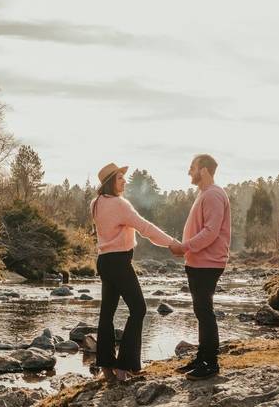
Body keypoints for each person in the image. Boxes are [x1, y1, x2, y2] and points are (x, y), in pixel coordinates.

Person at [91, 162, 183, 382]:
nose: (124, 180)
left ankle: (106, 366)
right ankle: (125, 366)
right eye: (120, 177)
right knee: (139, 309)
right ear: (110, 182)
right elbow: (145, 228)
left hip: (104, 261)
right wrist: (171, 242)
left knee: (107, 314)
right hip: (120, 262)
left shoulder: (95, 203)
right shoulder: (120, 205)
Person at [171, 154, 231, 380]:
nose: (189, 171)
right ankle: (202, 357)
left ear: (204, 170)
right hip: (199, 261)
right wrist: (186, 250)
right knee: (201, 310)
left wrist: (184, 247)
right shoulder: (205, 194)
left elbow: (210, 232)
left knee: (204, 311)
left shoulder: (214, 194)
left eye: (192, 167)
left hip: (208, 262)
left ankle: (211, 364)